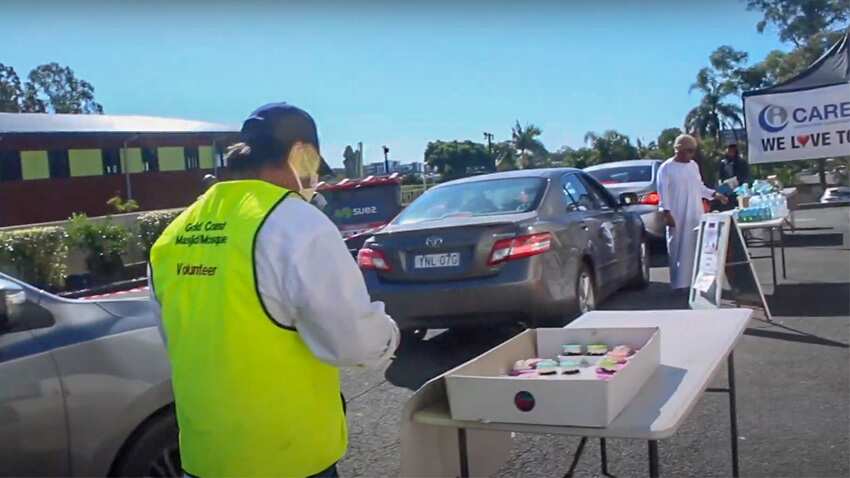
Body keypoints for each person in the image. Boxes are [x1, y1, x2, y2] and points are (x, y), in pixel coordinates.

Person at [148, 103, 399, 478]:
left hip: (205, 459)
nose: (314, 178)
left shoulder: (174, 233)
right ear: (302, 154)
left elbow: (177, 338)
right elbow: (353, 343)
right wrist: (391, 334)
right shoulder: (296, 222)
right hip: (288, 460)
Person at [657, 134, 728, 291]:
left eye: (693, 151)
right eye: (688, 151)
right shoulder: (666, 168)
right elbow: (663, 193)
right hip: (676, 215)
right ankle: (678, 286)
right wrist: (666, 213)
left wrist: (715, 195)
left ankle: (696, 284)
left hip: (695, 214)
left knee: (695, 248)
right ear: (679, 150)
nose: (691, 154)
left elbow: (699, 187)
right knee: (677, 248)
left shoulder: (693, 166)